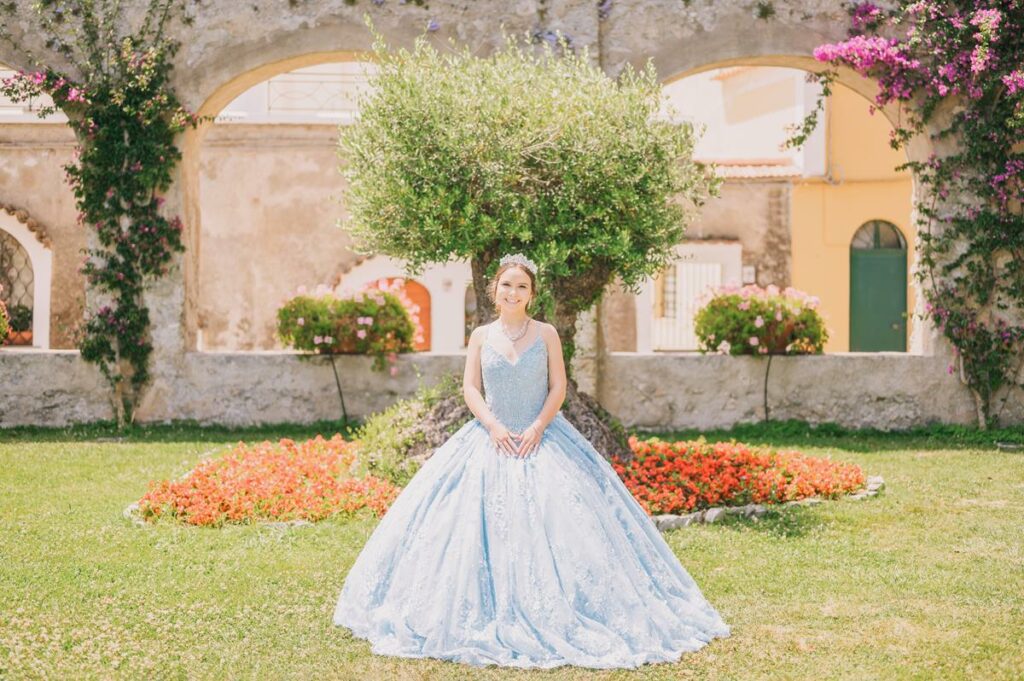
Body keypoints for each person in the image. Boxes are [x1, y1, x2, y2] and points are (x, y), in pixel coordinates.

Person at [333, 253, 731, 669]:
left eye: (522, 286)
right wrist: (492, 426)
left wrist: (540, 426)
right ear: (495, 290)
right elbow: (471, 388)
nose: (513, 292)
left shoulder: (546, 334)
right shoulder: (481, 336)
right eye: (507, 285)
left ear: (532, 294)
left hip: (542, 437)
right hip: (492, 437)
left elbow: (558, 386)